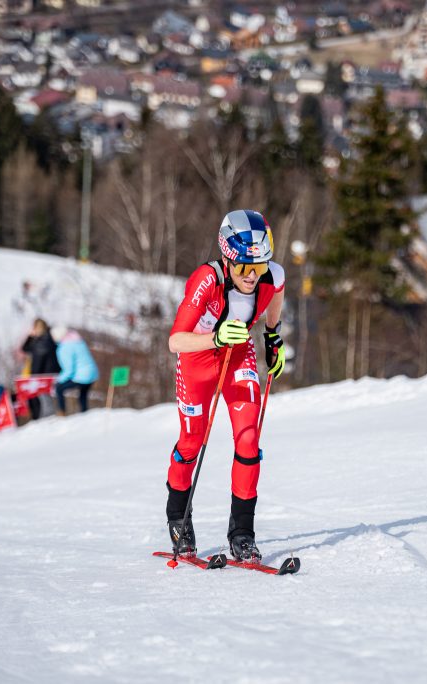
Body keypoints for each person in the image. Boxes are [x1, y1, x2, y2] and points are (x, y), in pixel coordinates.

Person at [165, 209, 287, 563]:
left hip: (238, 357)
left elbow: (276, 293)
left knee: (249, 438)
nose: (252, 275)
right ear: (227, 258)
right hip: (197, 362)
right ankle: (178, 520)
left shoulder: (271, 275)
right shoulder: (206, 279)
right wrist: (215, 337)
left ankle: (242, 534)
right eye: (244, 267)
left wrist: (273, 336)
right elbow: (175, 341)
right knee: (192, 441)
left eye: (259, 265)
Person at [52, 326, 98, 414]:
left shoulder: (64, 347)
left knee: (59, 388)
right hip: (92, 374)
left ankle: (62, 412)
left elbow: (69, 370)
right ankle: (84, 413)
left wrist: (58, 380)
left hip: (82, 376)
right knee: (83, 395)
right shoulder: (78, 341)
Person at [21, 318, 61, 420]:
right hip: (47, 374)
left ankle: (49, 419)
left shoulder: (43, 341)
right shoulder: (43, 339)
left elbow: (38, 362)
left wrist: (33, 377)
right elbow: (25, 348)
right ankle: (49, 418)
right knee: (45, 399)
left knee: (44, 399)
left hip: (45, 375)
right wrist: (30, 336)